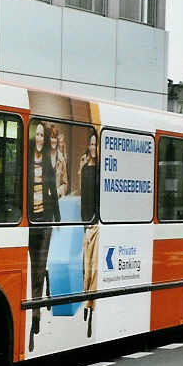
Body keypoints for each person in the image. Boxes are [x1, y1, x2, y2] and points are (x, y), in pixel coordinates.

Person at [28, 121, 60, 352]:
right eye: (37, 134)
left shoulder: (48, 163)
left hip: (45, 220)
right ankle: (36, 303)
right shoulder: (27, 162)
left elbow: (52, 191)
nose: (40, 138)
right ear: (33, 137)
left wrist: (58, 217)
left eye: (42, 134)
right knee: (34, 268)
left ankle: (36, 313)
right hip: (31, 222)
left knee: (39, 268)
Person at [80, 132, 99, 338]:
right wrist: (83, 225)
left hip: (97, 226)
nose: (93, 147)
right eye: (91, 144)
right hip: (86, 226)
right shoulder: (85, 170)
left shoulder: (102, 172)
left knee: (93, 271)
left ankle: (91, 311)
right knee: (86, 271)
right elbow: (85, 199)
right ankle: (87, 307)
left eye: (96, 144)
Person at [49, 125, 68, 198]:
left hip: (56, 201)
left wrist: (59, 190)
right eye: (51, 137)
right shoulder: (43, 157)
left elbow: (65, 184)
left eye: (55, 138)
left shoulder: (61, 159)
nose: (53, 140)